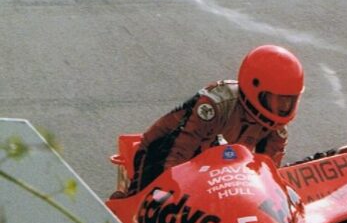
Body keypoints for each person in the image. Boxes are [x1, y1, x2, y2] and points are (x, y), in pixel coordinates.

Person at [111, 44, 304, 198]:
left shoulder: (276, 130)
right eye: (278, 99)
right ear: (254, 87)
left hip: (214, 164)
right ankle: (123, 205)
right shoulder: (217, 104)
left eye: (289, 100)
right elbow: (178, 152)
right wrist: (171, 192)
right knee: (153, 201)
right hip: (162, 150)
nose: (283, 107)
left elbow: (266, 175)